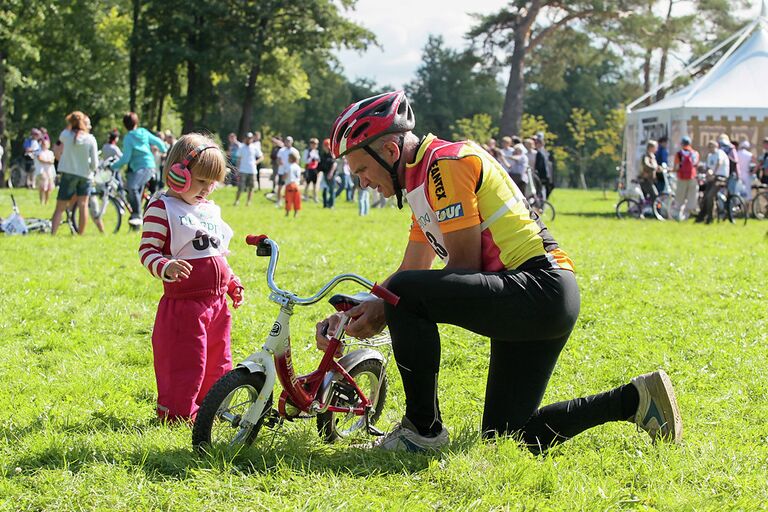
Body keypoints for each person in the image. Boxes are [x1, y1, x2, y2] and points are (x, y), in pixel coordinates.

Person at [316, 90, 683, 453]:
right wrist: (358, 310)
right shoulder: (422, 180)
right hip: (538, 294)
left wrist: (384, 308)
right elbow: (412, 268)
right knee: (507, 436)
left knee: (406, 293)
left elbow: (461, 267)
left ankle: (421, 431)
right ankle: (635, 400)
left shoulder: (444, 165)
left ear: (391, 152)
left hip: (539, 288)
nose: (361, 181)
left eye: (362, 169)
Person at [139, 133, 243, 422]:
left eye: (213, 183)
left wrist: (231, 281)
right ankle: (179, 413)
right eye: (201, 181)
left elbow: (218, 251)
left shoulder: (209, 209)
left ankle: (213, 407)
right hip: (185, 306)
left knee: (218, 360)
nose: (208, 189)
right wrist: (165, 266)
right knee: (187, 361)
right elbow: (147, 250)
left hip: (217, 303)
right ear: (177, 174)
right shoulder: (163, 208)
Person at [110, 112, 168, 227]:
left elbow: (126, 158)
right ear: (136, 122)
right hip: (149, 167)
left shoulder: (128, 138)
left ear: (125, 125)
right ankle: (136, 223)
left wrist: (113, 166)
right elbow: (160, 144)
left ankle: (137, 215)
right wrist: (164, 150)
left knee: (132, 187)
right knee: (134, 190)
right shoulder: (143, 132)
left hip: (143, 168)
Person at [50, 112, 99, 235]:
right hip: (85, 175)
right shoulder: (90, 139)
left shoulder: (66, 135)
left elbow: (58, 143)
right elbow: (94, 164)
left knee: (60, 207)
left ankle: (53, 233)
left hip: (68, 173)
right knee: (83, 205)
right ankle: (80, 234)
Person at [696, 140, 729, 224]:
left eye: (712, 146)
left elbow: (719, 162)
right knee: (705, 196)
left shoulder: (720, 153)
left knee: (710, 196)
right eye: (709, 147)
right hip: (712, 179)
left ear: (716, 146)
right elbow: (708, 167)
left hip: (721, 178)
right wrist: (707, 173)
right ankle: (703, 216)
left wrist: (713, 173)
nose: (710, 148)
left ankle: (710, 217)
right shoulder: (710, 156)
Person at [673, 136, 700, 219]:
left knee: (680, 197)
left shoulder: (679, 154)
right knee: (691, 196)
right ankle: (687, 214)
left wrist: (673, 170)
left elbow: (677, 167)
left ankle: (678, 214)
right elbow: (696, 165)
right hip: (692, 177)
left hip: (681, 177)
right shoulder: (695, 153)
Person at [233, 132, 263, 206]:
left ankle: (248, 202)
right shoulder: (241, 147)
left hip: (252, 170)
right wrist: (237, 170)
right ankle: (237, 201)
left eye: (250, 138)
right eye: (248, 138)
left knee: (251, 187)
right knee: (240, 187)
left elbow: (261, 157)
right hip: (243, 170)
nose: (249, 139)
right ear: (245, 138)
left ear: (252, 139)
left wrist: (256, 162)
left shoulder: (254, 147)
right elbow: (239, 159)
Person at [276, 136, 299, 207]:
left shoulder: (295, 151)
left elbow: (297, 161)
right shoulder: (281, 150)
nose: (288, 142)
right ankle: (279, 201)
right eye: (287, 141)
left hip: (291, 172)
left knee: (291, 188)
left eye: (289, 141)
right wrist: (282, 165)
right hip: (282, 171)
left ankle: (291, 202)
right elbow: (278, 160)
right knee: (280, 187)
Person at [35, 138, 56, 205]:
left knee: (49, 188)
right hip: (42, 171)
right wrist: (48, 161)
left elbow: (52, 160)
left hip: (49, 171)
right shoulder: (38, 152)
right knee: (42, 188)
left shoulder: (50, 152)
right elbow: (40, 159)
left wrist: (48, 162)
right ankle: (41, 201)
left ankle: (46, 202)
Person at [534, 133, 555, 198]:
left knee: (548, 188)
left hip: (546, 174)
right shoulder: (536, 152)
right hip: (539, 173)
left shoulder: (545, 152)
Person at [318, 138, 337, 208]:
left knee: (331, 190)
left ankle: (331, 205)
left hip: (331, 174)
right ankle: (325, 204)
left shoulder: (332, 154)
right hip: (324, 174)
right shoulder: (323, 155)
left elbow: (334, 164)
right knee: (325, 190)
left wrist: (331, 173)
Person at [284, 152, 302, 217]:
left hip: (290, 184)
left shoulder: (289, 166)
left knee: (288, 200)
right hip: (297, 185)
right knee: (296, 200)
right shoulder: (298, 167)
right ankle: (296, 213)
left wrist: (283, 178)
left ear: (291, 159)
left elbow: (285, 175)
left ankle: (287, 213)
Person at [302, 138, 321, 203]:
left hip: (315, 169)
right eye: (313, 143)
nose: (315, 145)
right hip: (308, 169)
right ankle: (305, 197)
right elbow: (304, 160)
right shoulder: (307, 151)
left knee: (315, 184)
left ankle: (315, 197)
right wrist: (311, 158)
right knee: (307, 184)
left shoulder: (316, 151)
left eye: (316, 144)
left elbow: (318, 160)